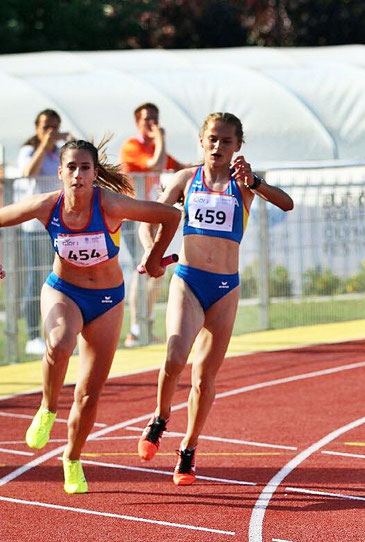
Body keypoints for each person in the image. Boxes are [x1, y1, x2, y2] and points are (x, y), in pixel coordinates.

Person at [6, 139, 181, 493]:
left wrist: (153, 256)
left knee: (88, 393)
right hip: (64, 291)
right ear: (60, 173)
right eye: (71, 167)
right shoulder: (47, 206)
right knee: (59, 341)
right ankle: (47, 408)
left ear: (95, 173)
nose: (78, 175)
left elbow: (170, 215)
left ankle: (72, 458)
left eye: (85, 168)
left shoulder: (111, 205)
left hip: (106, 301)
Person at [136, 112, 293, 486]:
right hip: (188, 280)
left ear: (238, 146)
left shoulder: (244, 186)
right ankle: (160, 417)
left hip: (225, 289)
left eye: (226, 141)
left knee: (205, 377)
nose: (218, 147)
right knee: (175, 357)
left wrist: (255, 181)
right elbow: (149, 219)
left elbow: (286, 203)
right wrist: (150, 252)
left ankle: (188, 449)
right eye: (212, 139)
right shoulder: (184, 179)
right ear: (201, 142)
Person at [119, 102, 185, 348]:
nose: (153, 124)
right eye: (148, 120)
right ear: (137, 122)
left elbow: (178, 168)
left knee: (156, 268)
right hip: (133, 216)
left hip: (152, 215)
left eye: (156, 119)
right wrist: (161, 138)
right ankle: (136, 329)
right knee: (144, 267)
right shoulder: (132, 146)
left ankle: (146, 324)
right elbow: (155, 165)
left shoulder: (156, 147)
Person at [17, 109, 73, 356]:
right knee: (35, 279)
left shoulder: (59, 154)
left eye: (54, 126)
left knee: (61, 280)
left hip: (59, 227)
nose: (50, 130)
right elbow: (29, 172)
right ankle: (32, 335)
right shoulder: (28, 151)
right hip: (35, 229)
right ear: (36, 127)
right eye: (45, 126)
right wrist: (44, 144)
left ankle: (61, 331)